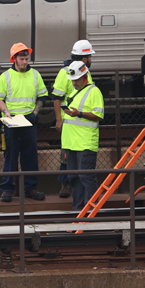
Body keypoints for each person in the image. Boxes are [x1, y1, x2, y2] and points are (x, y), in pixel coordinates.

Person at [0, 42, 48, 202]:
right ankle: (8, 189)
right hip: (12, 122)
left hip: (29, 120)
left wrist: (35, 113)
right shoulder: (6, 76)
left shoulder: (35, 75)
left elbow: (42, 96)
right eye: (22, 59)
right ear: (14, 59)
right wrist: (6, 112)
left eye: (26, 58)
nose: (25, 62)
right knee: (10, 156)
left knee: (30, 156)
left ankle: (30, 189)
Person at [53, 61, 104, 209]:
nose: (74, 83)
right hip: (71, 143)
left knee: (86, 177)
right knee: (74, 178)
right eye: (72, 80)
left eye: (76, 80)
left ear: (85, 77)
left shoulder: (94, 91)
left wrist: (79, 113)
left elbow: (99, 115)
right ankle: (78, 210)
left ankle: (91, 211)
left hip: (85, 143)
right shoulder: (75, 91)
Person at [53, 40, 96, 196]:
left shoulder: (85, 72)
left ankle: (74, 192)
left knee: (73, 157)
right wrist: (59, 119)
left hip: (82, 123)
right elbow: (57, 97)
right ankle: (65, 184)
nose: (91, 59)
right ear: (84, 58)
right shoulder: (65, 72)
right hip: (70, 121)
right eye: (90, 56)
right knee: (67, 155)